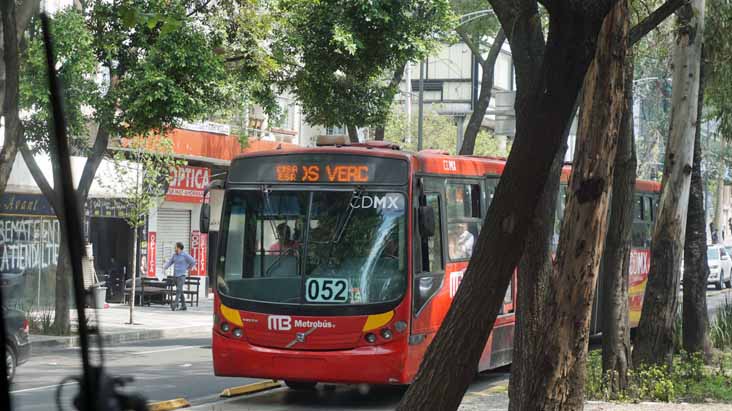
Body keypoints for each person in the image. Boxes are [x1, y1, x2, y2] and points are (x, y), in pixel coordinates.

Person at [163, 242, 196, 311]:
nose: (174, 248)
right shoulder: (174, 255)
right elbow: (170, 262)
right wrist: (165, 267)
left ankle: (174, 305)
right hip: (175, 276)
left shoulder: (185, 255)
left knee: (178, 290)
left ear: (179, 248)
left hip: (182, 276)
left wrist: (188, 268)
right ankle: (184, 306)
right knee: (180, 290)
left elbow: (193, 261)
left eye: (175, 247)